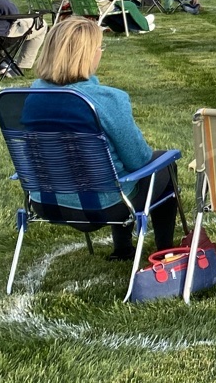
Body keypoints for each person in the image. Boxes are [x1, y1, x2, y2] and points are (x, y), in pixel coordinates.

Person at [24, 18, 177, 259]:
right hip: (105, 206)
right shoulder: (107, 99)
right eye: (99, 47)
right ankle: (165, 251)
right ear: (86, 54)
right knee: (164, 163)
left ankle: (124, 249)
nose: (100, 53)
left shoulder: (31, 96)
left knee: (117, 171)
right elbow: (139, 160)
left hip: (46, 202)